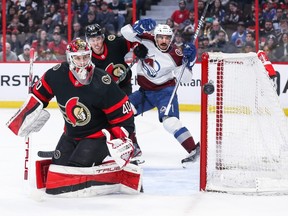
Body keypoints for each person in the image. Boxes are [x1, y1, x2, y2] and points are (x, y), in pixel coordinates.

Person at [6, 38, 142, 196]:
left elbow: (124, 115)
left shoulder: (102, 81)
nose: (82, 62)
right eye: (78, 58)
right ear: (70, 58)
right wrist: (24, 119)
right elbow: (38, 97)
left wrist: (122, 140)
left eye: (85, 57)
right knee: (55, 172)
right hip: (71, 135)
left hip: (97, 137)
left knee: (72, 173)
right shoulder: (56, 75)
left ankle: (117, 177)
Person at [121, 18, 200, 165]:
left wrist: (190, 63)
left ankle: (194, 150)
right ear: (155, 36)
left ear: (171, 38)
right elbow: (125, 33)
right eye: (161, 37)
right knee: (123, 113)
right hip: (145, 92)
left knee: (170, 123)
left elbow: (186, 79)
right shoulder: (147, 40)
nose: (164, 40)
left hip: (165, 92)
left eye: (167, 38)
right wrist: (138, 26)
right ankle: (134, 148)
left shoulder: (176, 54)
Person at [85, 23, 143, 161]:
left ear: (103, 37)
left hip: (122, 86)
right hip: (102, 92)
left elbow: (134, 41)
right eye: (93, 40)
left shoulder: (114, 43)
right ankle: (108, 145)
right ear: (88, 41)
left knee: (125, 114)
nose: (97, 43)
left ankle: (133, 144)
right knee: (102, 119)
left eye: (98, 39)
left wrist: (140, 50)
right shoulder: (86, 56)